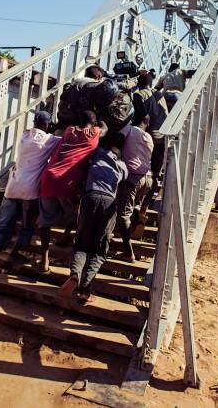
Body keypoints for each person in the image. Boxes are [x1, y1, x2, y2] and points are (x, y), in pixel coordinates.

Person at [0, 112, 60, 277]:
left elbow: (36, 131)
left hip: (12, 187)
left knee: (1, 226)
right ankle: (14, 253)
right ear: (48, 125)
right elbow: (63, 139)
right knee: (27, 226)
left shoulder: (24, 136)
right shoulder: (49, 141)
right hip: (30, 191)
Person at [58, 133, 128, 303]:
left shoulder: (96, 154)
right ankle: (85, 289)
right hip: (109, 202)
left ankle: (75, 274)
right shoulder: (122, 165)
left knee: (81, 243)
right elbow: (124, 181)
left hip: (89, 197)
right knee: (99, 248)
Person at [38, 110, 107, 273]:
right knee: (76, 215)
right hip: (66, 182)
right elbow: (105, 128)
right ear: (94, 122)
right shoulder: (94, 133)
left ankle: (44, 261)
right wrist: (101, 116)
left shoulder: (69, 130)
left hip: (48, 178)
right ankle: (71, 250)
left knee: (45, 221)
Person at [117, 114, 154, 263]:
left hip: (132, 177)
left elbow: (116, 142)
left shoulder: (129, 129)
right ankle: (137, 214)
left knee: (123, 215)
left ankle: (128, 252)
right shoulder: (149, 138)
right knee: (135, 205)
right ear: (147, 123)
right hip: (147, 179)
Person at [132, 71, 168, 192]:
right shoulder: (159, 94)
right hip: (162, 137)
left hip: (148, 137)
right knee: (155, 171)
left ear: (138, 83)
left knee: (140, 167)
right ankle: (147, 199)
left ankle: (138, 198)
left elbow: (141, 117)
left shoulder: (138, 95)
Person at [56, 65, 104, 130]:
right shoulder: (95, 85)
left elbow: (62, 99)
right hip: (78, 123)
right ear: (99, 76)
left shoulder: (75, 82)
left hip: (63, 118)